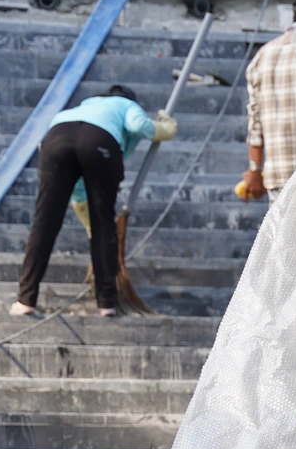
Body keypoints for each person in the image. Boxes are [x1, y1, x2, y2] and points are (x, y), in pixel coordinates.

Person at [12, 84, 175, 319]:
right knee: (103, 225)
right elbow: (139, 125)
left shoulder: (83, 106)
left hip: (55, 138)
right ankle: (106, 303)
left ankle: (24, 300)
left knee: (45, 222)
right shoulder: (127, 105)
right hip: (99, 142)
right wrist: (165, 129)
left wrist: (82, 210)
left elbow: (77, 188)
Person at [234, 0, 296, 202]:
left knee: (283, 236)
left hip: (278, 177)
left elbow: (254, 120)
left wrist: (255, 170)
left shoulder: (263, 54)